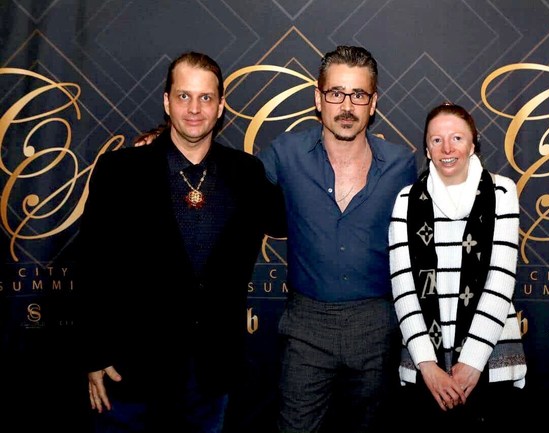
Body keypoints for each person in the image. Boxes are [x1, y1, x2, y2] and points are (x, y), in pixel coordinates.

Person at [77, 51, 283, 433]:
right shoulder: (120, 171)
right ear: (166, 101)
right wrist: (94, 353)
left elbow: (295, 216)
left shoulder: (247, 173)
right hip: (129, 369)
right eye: (184, 96)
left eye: (205, 97)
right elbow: (91, 265)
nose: (194, 108)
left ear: (221, 106)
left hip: (211, 373)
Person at [258, 45, 418, 433]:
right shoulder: (284, 153)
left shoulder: (401, 165)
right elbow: (227, 185)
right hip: (306, 325)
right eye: (336, 93)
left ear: (373, 102)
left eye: (358, 95)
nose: (346, 106)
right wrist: (162, 145)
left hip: (376, 325)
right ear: (318, 97)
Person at [388, 102, 527, 428]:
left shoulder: (502, 191)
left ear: (473, 144)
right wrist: (428, 364)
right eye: (437, 140)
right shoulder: (406, 201)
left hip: (490, 359)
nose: (447, 148)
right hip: (427, 363)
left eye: (457, 138)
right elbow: (403, 288)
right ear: (426, 147)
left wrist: (472, 362)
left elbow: (501, 281)